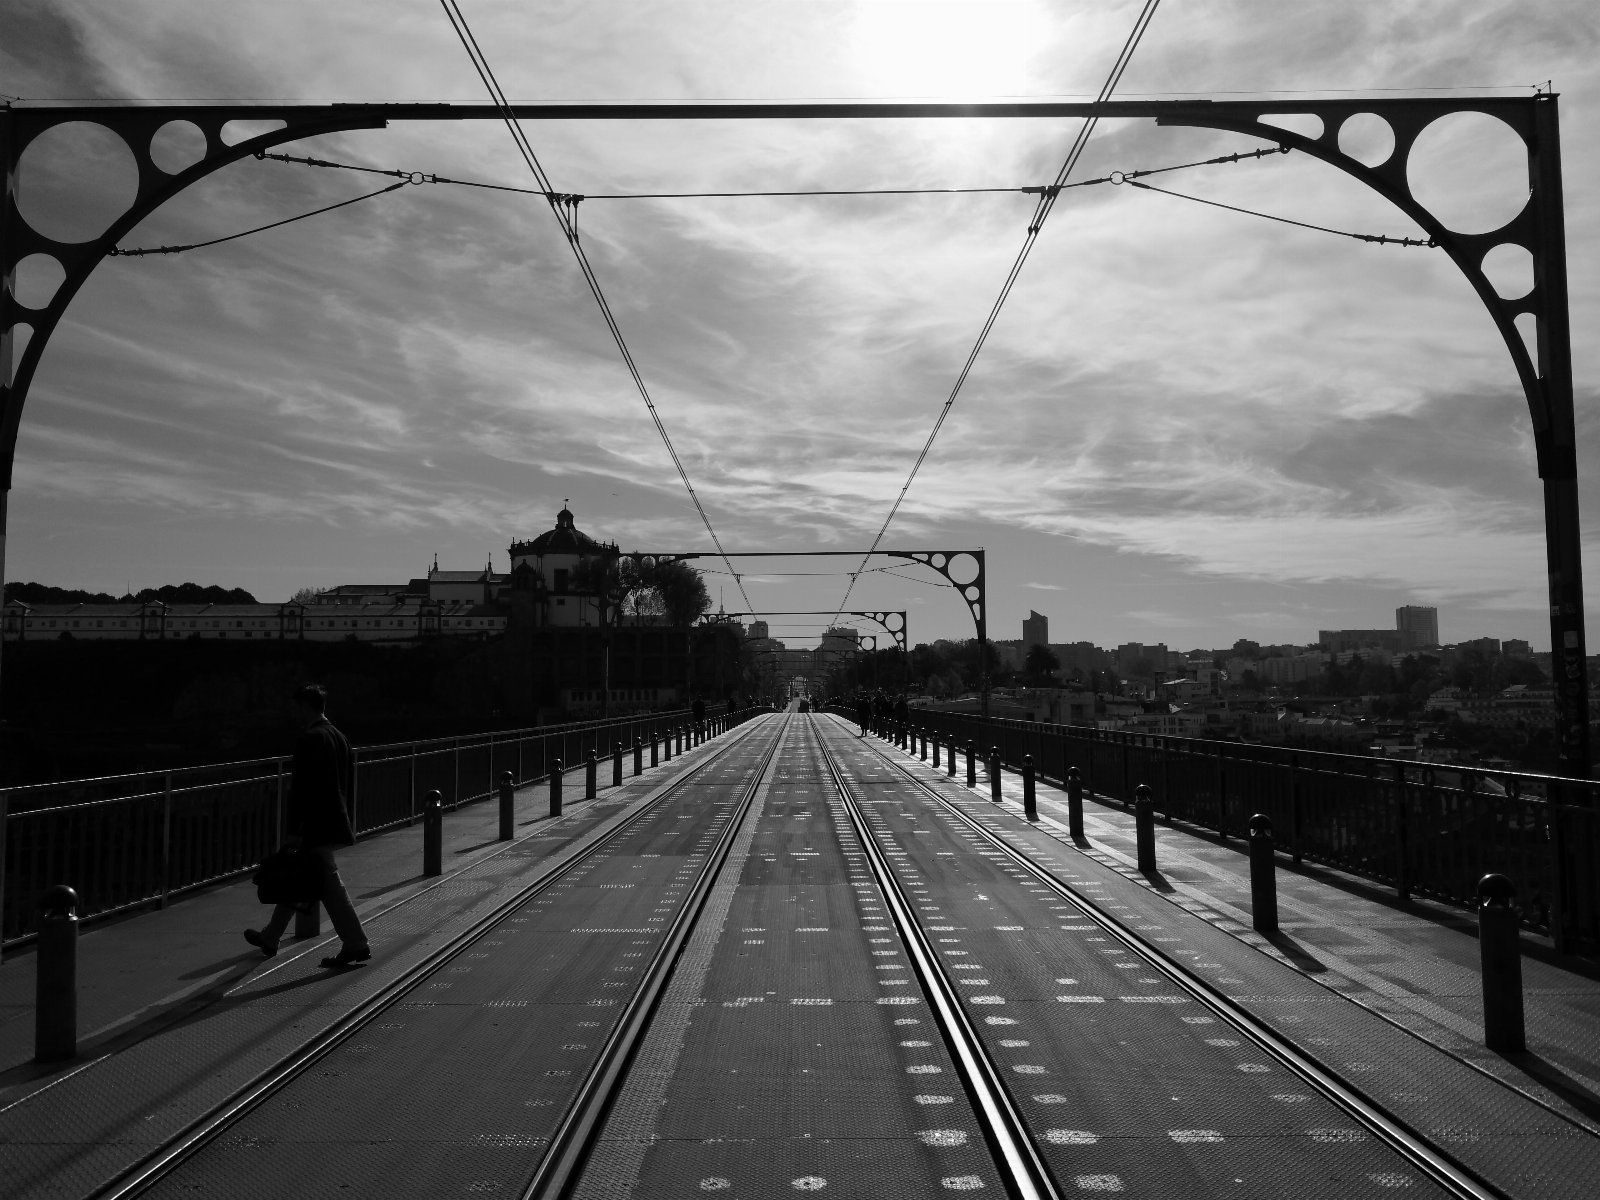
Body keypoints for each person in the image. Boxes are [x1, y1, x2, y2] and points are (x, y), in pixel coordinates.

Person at [245, 684, 371, 968]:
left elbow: (302, 790)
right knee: (301, 875)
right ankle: (271, 936)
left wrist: (295, 830)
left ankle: (356, 942)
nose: (293, 713)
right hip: (334, 819)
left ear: (305, 707)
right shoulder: (339, 737)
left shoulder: (310, 739)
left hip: (316, 824)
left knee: (327, 882)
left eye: (296, 707)